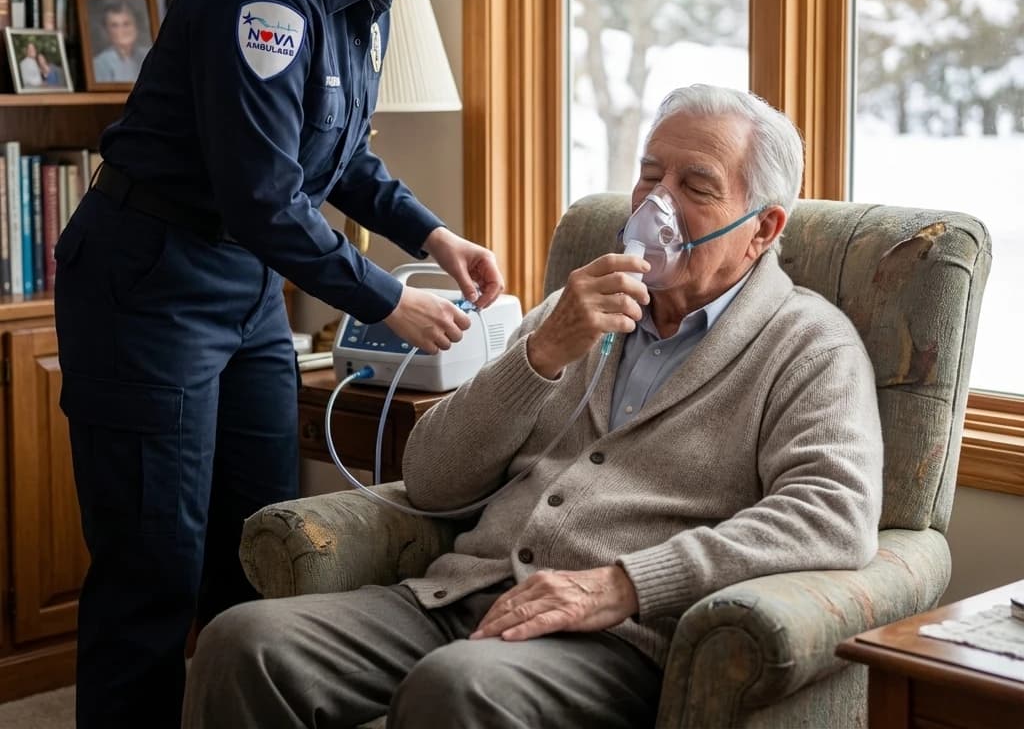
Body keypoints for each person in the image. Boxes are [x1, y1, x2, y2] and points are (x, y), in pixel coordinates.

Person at [182, 85, 885, 729]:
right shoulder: (570, 312)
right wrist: (540, 354)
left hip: (611, 641)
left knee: (456, 688)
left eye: (694, 185)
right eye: (649, 174)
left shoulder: (809, 345)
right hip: (454, 600)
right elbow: (429, 479)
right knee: (244, 641)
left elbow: (832, 515)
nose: (656, 203)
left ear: (762, 229)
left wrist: (626, 585)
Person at [53, 0, 518, 729]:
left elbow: (339, 157)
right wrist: (390, 301)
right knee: (153, 568)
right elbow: (263, 195)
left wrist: (433, 236)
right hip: (149, 282)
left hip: (244, 290)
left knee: (256, 549)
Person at [90, 1, 152, 83]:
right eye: (114, 26)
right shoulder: (99, 64)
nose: (122, 30)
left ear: (136, 26)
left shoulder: (150, 55)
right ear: (106, 31)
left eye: (126, 24)